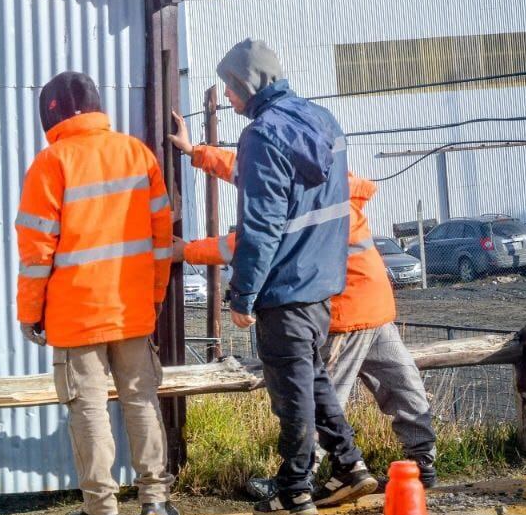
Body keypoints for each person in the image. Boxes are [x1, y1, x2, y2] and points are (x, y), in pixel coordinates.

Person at [168, 115, 437, 491]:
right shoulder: (332, 183)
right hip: (376, 306)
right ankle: (422, 460)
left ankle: (301, 477)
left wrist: (189, 250)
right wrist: (197, 152)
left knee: (316, 396)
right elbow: (245, 172)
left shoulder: (305, 196)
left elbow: (253, 241)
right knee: (401, 384)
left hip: (343, 310)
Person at [210, 39, 374, 515]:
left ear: (247, 84)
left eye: (230, 88)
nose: (226, 98)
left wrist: (242, 293)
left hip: (282, 289)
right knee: (313, 379)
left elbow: (261, 225)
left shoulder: (261, 135)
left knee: (292, 393)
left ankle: (294, 489)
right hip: (322, 282)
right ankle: (348, 468)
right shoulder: (324, 121)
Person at [15, 71, 178, 515]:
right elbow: (162, 239)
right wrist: (155, 296)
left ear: (52, 116)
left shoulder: (52, 162)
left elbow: (36, 253)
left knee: (87, 406)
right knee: (141, 400)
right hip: (132, 309)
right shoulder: (136, 154)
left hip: (75, 315)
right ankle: (155, 502)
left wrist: (30, 313)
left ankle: (101, 509)